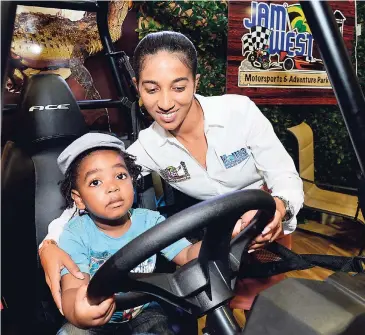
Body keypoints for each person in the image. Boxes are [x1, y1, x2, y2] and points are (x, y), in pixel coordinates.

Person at [39, 31, 304, 314]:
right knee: (220, 307)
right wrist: (48, 244)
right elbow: (88, 194)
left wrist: (280, 207)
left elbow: (284, 176)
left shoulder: (239, 112)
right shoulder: (148, 148)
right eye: (152, 89)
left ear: (195, 82)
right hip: (213, 233)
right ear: (136, 87)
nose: (165, 103)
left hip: (263, 222)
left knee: (269, 309)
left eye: (178, 87)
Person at [55, 132, 203, 334]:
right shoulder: (75, 234)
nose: (113, 187)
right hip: (96, 318)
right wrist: (78, 313)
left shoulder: (150, 221)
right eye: (95, 182)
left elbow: (187, 254)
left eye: (120, 176)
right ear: (78, 199)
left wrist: (225, 236)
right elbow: (73, 287)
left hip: (143, 311)